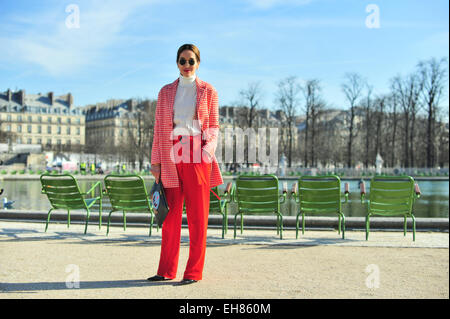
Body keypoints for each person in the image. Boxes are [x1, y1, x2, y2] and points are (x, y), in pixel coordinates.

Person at [148, 43, 223, 286]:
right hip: (170, 153)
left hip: (196, 156)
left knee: (197, 216)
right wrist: (155, 161)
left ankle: (193, 272)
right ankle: (166, 270)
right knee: (169, 216)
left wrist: (205, 153)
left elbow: (213, 127)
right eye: (183, 61)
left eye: (191, 61)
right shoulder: (165, 92)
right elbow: (158, 129)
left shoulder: (208, 91)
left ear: (198, 63)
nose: (187, 65)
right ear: (177, 63)